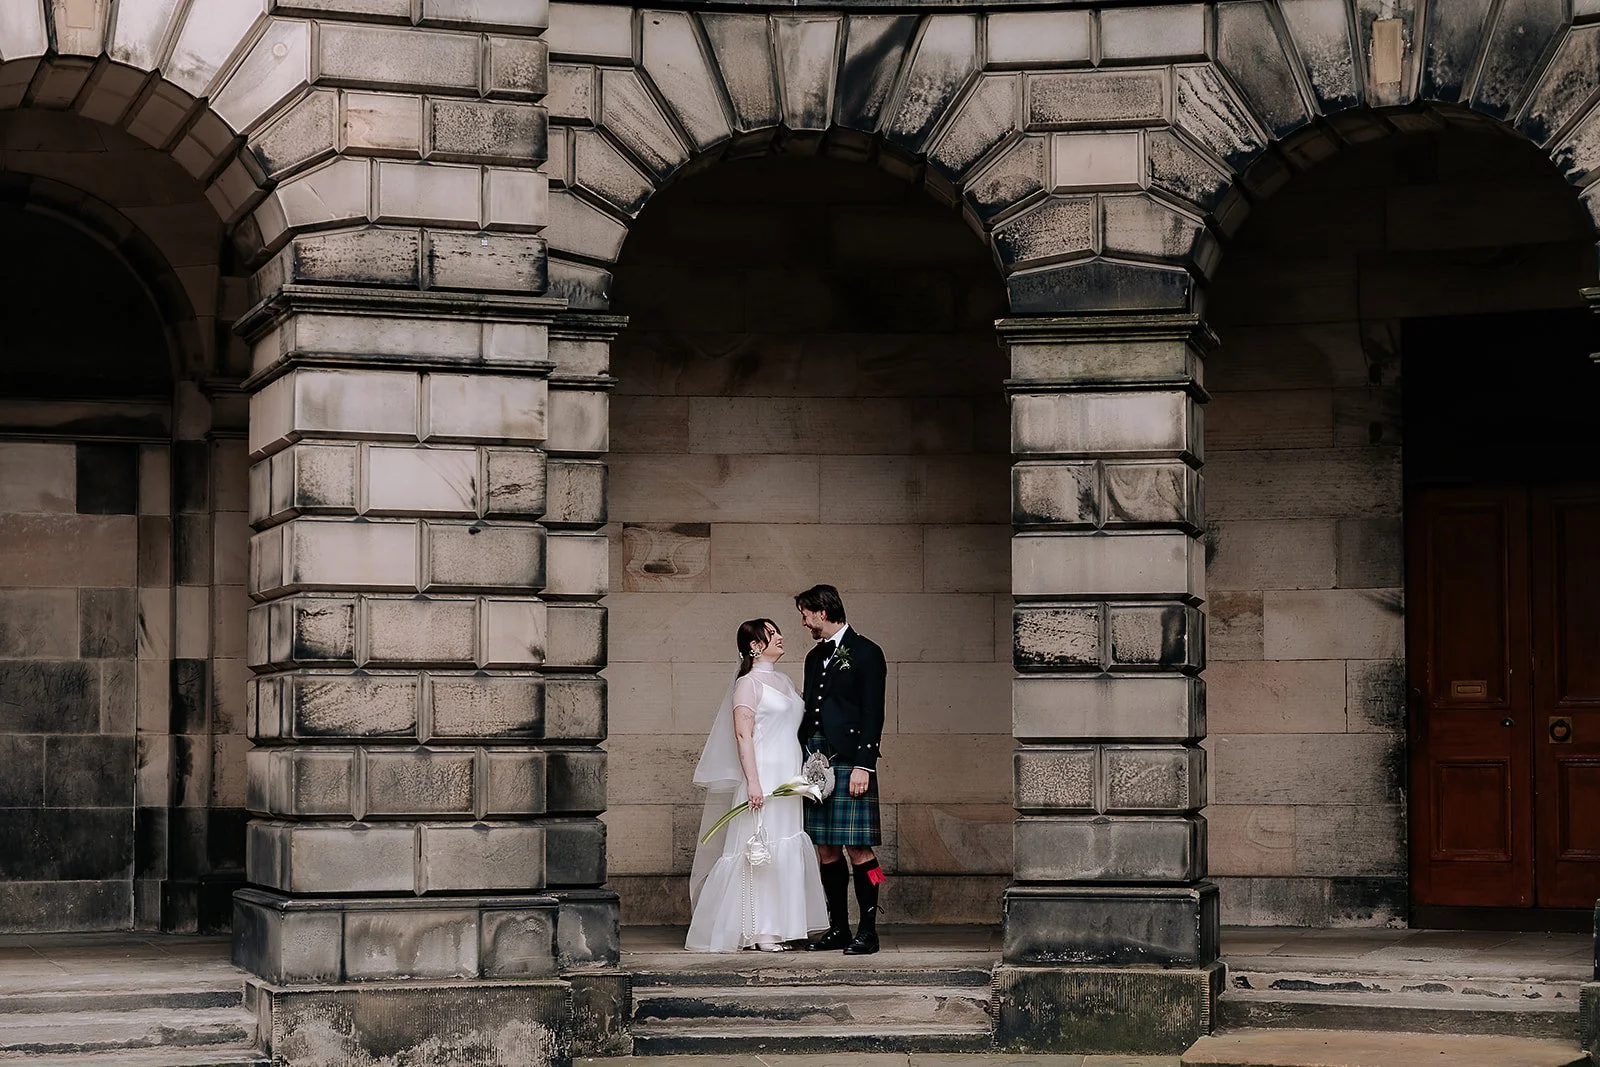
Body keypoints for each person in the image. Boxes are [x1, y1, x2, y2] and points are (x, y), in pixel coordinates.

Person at [686, 618, 826, 952]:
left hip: (789, 777)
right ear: (755, 645)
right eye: (772, 634)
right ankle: (759, 930)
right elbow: (743, 734)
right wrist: (753, 782)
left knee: (785, 845)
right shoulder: (748, 684)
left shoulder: (785, 680)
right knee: (759, 848)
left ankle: (783, 925)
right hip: (763, 774)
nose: (780, 637)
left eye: (779, 631)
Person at [794, 584, 888, 955]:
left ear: (821, 611)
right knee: (826, 850)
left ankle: (870, 929)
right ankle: (839, 928)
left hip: (852, 761)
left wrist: (865, 764)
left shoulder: (867, 652)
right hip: (816, 759)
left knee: (860, 850)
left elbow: (872, 712)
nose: (803, 622)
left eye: (805, 614)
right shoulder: (814, 657)